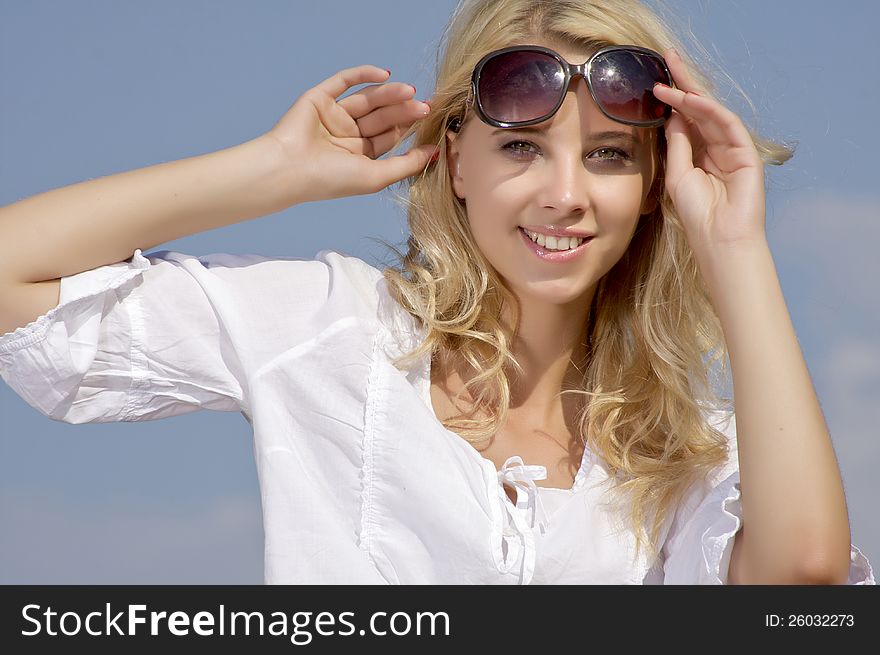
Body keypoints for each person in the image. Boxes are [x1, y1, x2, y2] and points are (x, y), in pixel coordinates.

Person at [0, 0, 873, 585]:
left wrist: (734, 242)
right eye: (522, 147)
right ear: (456, 159)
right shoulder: (331, 329)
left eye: (609, 153)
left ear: (654, 183)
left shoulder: (696, 451)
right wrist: (267, 172)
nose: (565, 192)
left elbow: (803, 581)